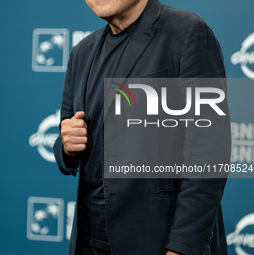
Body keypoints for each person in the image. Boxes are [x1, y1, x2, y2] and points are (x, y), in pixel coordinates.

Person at [53, 0, 231, 254]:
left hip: (158, 241)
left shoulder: (187, 32)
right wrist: (67, 147)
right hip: (89, 242)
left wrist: (182, 247)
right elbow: (68, 137)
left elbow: (209, 152)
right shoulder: (82, 53)